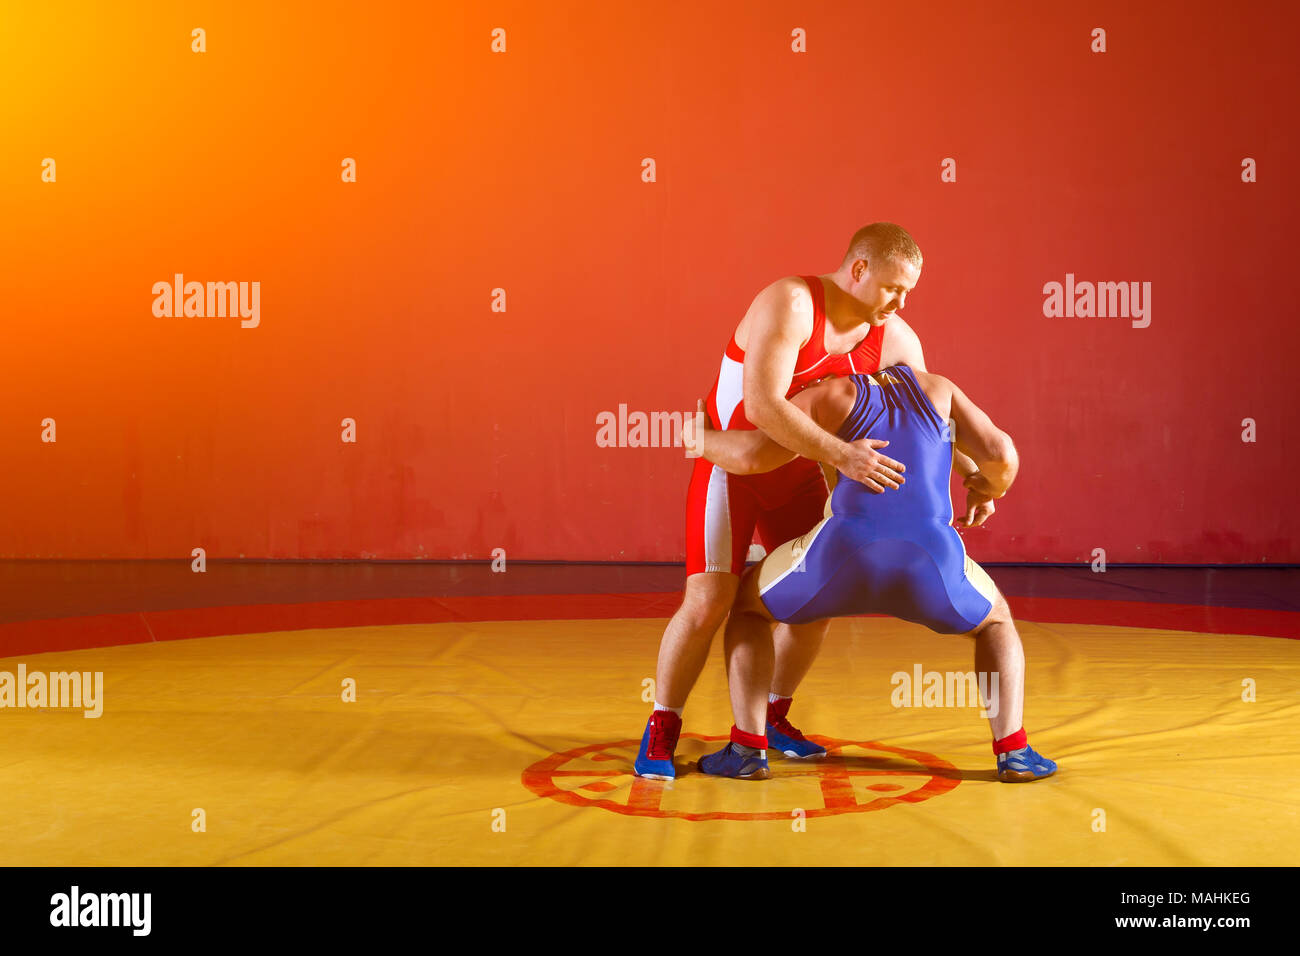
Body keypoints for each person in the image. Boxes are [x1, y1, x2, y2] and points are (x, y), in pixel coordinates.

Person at [635, 223, 991, 779]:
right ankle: (662, 727)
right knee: (708, 604)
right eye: (894, 288)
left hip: (800, 474)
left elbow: (925, 423)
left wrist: (970, 473)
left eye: (909, 291)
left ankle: (772, 719)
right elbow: (761, 406)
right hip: (732, 469)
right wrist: (843, 456)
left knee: (812, 602)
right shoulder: (792, 303)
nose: (902, 303)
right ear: (857, 270)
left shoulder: (893, 338)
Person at [686, 364, 1058, 783]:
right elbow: (1002, 456)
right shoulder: (938, 389)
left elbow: (750, 457)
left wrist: (700, 439)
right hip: (931, 565)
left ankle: (747, 748)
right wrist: (985, 488)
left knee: (750, 608)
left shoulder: (828, 395)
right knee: (996, 622)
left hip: (838, 559)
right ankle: (1014, 751)